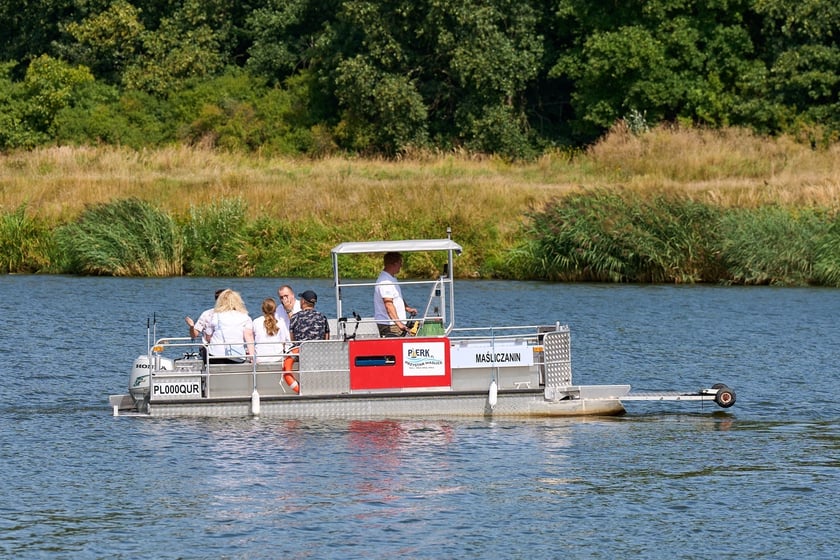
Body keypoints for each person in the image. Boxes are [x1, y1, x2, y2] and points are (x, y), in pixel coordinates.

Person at [203, 289, 255, 363]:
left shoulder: (215, 316)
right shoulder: (245, 317)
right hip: (237, 356)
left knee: (204, 349)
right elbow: (249, 337)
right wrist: (252, 357)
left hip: (215, 355)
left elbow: (208, 336)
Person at [374, 252, 417, 337]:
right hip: (390, 325)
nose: (401, 266)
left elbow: (397, 296)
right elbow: (388, 305)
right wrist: (399, 324)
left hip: (395, 323)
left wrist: (407, 308)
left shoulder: (392, 278)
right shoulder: (385, 282)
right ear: (393, 264)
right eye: (400, 263)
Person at [253, 297, 290, 363]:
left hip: (260, 358)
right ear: (275, 309)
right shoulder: (280, 322)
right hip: (277, 358)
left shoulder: (256, 322)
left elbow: (253, 339)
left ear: (262, 309)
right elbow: (286, 340)